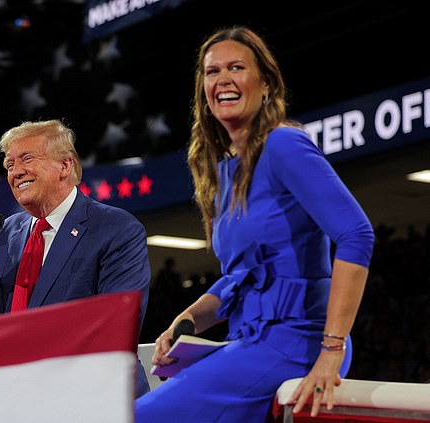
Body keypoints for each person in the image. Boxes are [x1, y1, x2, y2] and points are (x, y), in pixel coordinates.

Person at [135, 26, 375, 421]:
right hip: (251, 341)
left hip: (296, 344)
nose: (223, 80)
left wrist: (331, 351)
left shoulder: (284, 144)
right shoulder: (227, 170)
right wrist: (189, 318)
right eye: (212, 72)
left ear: (265, 84)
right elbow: (241, 277)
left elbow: (356, 235)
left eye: (236, 68)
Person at [0, 119, 151, 397]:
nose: (16, 172)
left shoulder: (116, 229)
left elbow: (119, 323)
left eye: (27, 159)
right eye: (9, 165)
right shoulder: (3, 233)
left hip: (94, 396)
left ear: (65, 166)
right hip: (17, 399)